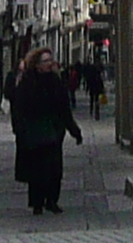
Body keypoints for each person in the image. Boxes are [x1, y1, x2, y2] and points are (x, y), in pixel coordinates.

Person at [5, 46, 82, 214]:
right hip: (33, 132)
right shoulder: (27, 83)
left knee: (54, 170)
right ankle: (37, 202)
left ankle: (52, 201)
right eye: (46, 61)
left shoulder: (56, 82)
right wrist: (20, 130)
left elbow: (64, 110)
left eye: (50, 60)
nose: (50, 64)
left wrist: (74, 131)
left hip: (53, 132)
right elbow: (18, 108)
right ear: (37, 65)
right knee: (37, 170)